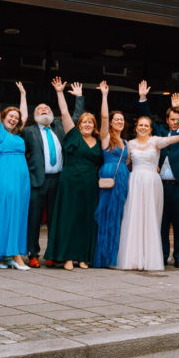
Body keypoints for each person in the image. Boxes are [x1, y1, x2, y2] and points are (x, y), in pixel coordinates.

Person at [135, 78, 179, 268]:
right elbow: (146, 120)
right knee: (161, 223)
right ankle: (162, 255)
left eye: (177, 119)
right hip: (161, 185)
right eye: (171, 119)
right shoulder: (160, 133)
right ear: (166, 120)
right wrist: (142, 98)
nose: (174, 122)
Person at [114, 115, 179, 271]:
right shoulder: (130, 144)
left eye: (146, 125)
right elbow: (126, 162)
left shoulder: (155, 141)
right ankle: (133, 257)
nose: (143, 128)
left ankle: (151, 256)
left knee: (151, 217)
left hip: (152, 183)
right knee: (133, 216)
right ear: (136, 128)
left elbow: (172, 140)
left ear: (150, 128)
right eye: (140, 125)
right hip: (135, 181)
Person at [22, 81, 84, 267]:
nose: (43, 110)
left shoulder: (59, 128)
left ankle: (52, 253)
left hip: (58, 180)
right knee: (34, 219)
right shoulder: (28, 131)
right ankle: (33, 253)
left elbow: (75, 116)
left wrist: (79, 98)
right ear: (34, 115)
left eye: (46, 108)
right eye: (39, 108)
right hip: (37, 181)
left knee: (55, 219)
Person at [43, 78, 102, 270]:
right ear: (79, 125)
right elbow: (65, 113)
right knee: (69, 218)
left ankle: (83, 257)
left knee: (86, 219)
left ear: (94, 125)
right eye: (83, 122)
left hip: (90, 184)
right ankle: (67, 257)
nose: (86, 125)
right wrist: (60, 92)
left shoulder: (99, 141)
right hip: (70, 181)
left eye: (90, 122)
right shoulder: (73, 135)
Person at [0, 69, 30, 270]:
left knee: (18, 213)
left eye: (16, 118)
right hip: (5, 175)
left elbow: (24, 115)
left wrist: (23, 95)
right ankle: (14, 254)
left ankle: (4, 256)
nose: (14, 119)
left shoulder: (19, 136)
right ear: (3, 117)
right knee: (6, 211)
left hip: (21, 177)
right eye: (10, 116)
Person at [93, 80, 129, 269]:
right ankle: (106, 257)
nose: (119, 122)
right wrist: (105, 96)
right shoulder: (107, 137)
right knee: (108, 215)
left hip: (123, 178)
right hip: (110, 176)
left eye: (122, 120)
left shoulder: (125, 142)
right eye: (116, 119)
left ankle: (115, 255)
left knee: (119, 216)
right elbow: (104, 117)